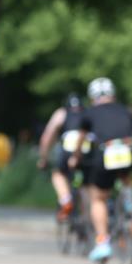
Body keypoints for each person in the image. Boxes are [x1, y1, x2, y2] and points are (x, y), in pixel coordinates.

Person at [67, 77, 132, 263]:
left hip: (105, 154)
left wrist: (75, 157)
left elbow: (81, 140)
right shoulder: (125, 111)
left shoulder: (89, 114)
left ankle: (102, 242)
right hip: (128, 152)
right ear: (112, 94)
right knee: (125, 176)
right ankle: (129, 204)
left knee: (98, 198)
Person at [37, 93, 88, 221]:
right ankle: (86, 216)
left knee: (58, 174)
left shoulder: (62, 113)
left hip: (68, 149)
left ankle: (66, 200)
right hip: (86, 150)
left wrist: (43, 158)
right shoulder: (88, 113)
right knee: (87, 183)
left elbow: (47, 136)